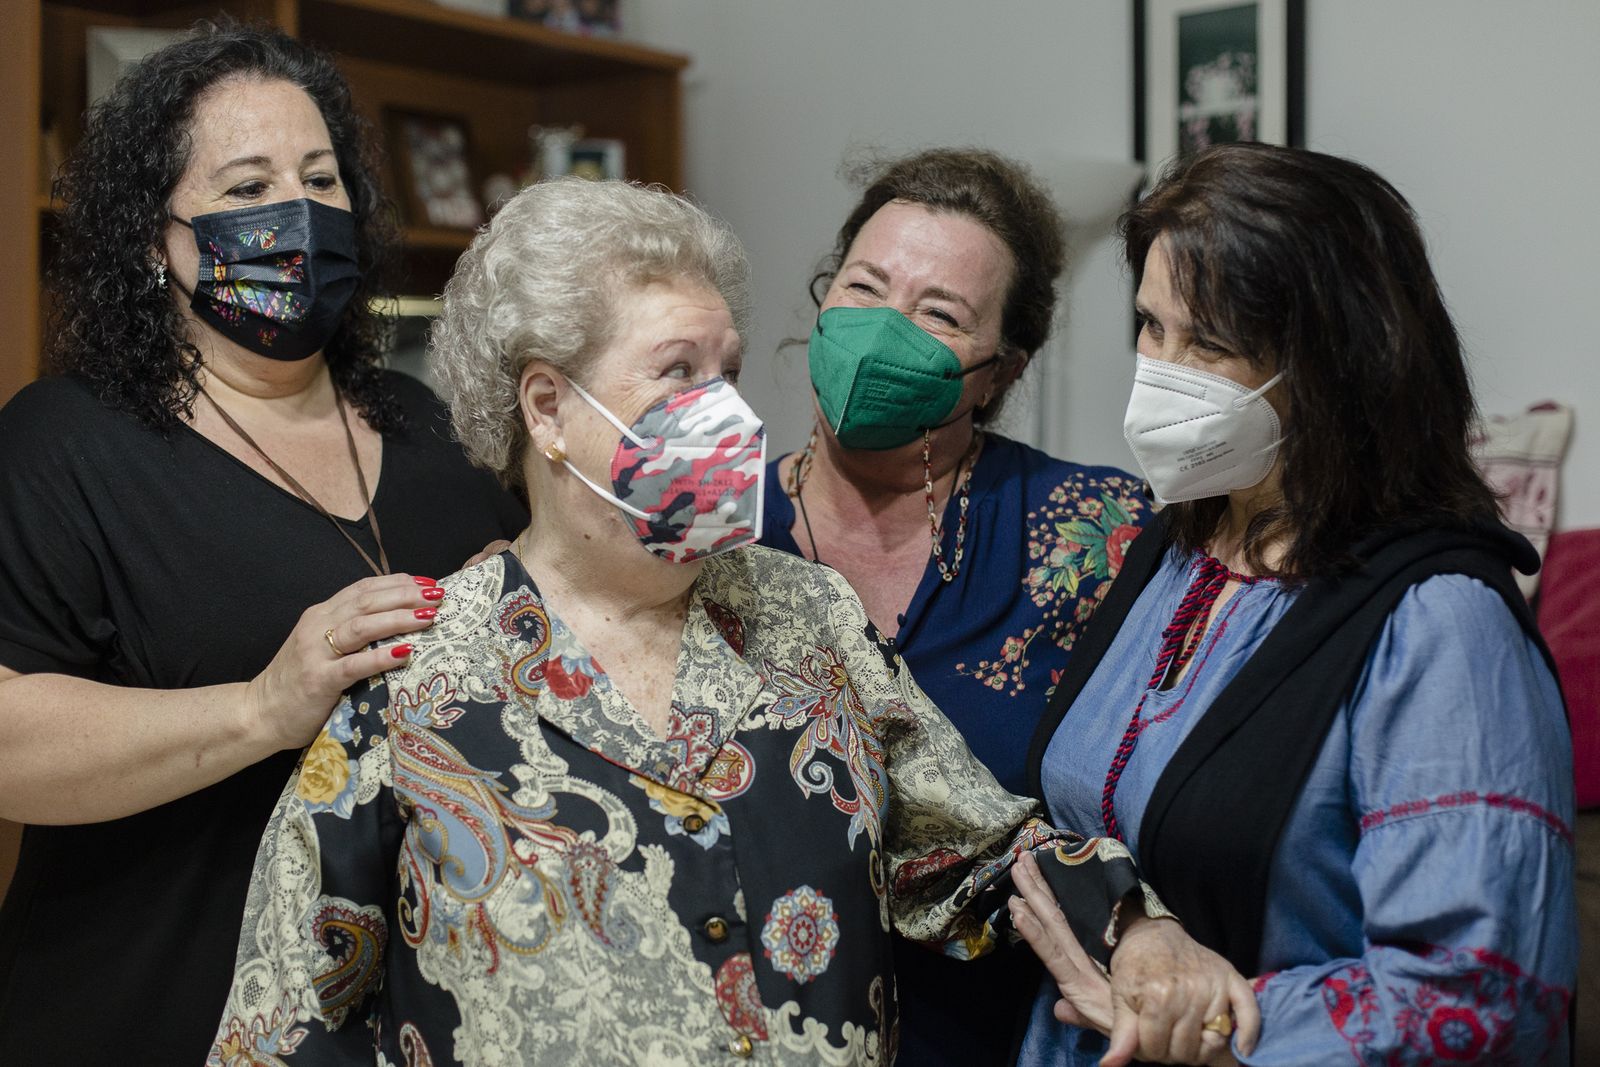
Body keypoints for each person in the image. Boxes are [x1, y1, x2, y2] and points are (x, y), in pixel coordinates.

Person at [206, 178, 1255, 1066]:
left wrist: (1137, 930)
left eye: (729, 371)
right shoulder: (412, 683)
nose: (734, 415)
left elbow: (977, 851)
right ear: (547, 407)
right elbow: (284, 1024)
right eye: (678, 371)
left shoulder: (807, 615)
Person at [0, 23, 525, 1062]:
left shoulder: (434, 430)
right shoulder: (66, 442)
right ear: (153, 239)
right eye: (247, 187)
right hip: (142, 1014)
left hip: (403, 1019)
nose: (299, 211)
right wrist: (261, 708)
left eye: (321, 179)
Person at [1010, 142, 1576, 1065]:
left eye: (1210, 343)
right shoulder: (1175, 548)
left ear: (1338, 365)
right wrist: (1136, 927)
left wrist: (1212, 1023)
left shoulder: (1440, 623)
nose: (1162, 369)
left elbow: (1476, 993)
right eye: (1152, 326)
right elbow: (1071, 823)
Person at [759, 148, 1154, 1063]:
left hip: (1012, 1036)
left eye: (939, 313)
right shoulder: (707, 536)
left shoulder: (1097, 533)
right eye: (864, 287)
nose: (882, 331)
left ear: (1000, 370)